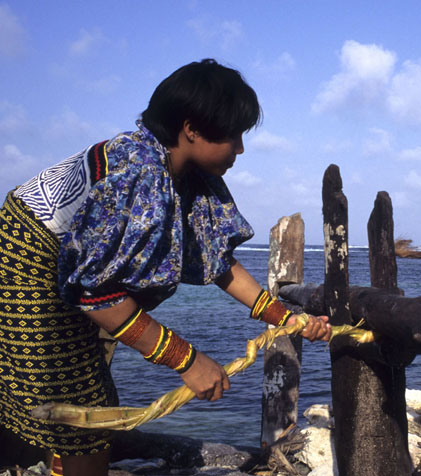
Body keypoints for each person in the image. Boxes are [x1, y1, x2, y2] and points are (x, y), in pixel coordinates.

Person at [0, 59, 332, 476]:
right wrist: (188, 361)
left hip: (70, 268)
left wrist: (288, 317)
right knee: (79, 408)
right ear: (191, 129)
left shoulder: (184, 174)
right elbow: (96, 294)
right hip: (27, 262)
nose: (240, 149)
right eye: (233, 135)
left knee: (88, 402)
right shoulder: (138, 173)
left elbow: (217, 262)